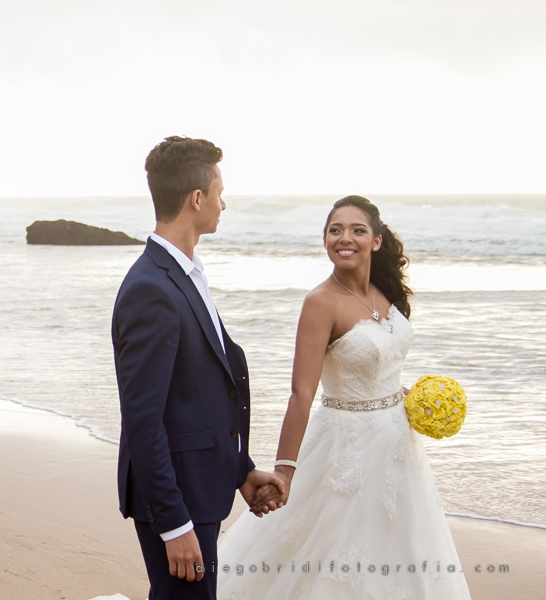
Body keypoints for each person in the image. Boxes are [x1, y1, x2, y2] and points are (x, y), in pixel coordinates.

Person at [216, 195, 472, 599]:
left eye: (357, 230)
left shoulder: (384, 293)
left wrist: (411, 396)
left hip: (399, 447)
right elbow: (301, 393)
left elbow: (382, 364)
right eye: (335, 230)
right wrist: (285, 470)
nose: (344, 238)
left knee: (402, 550)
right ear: (325, 240)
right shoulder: (320, 302)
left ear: (377, 241)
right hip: (344, 448)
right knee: (334, 557)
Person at [112, 136, 284, 600]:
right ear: (197, 198)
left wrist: (241, 471)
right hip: (177, 501)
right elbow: (143, 420)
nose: (224, 203)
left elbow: (201, 395)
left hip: (201, 487)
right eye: (219, 191)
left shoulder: (187, 274)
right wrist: (173, 524)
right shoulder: (151, 288)